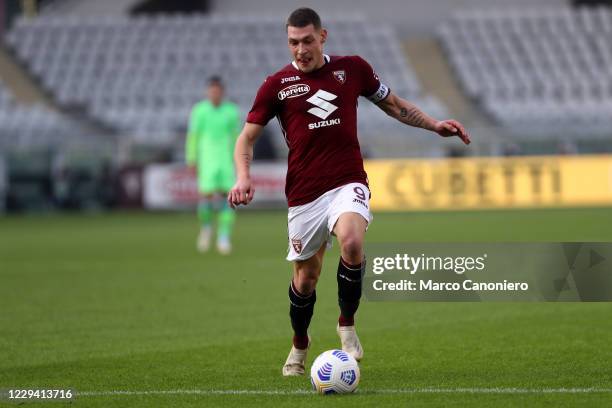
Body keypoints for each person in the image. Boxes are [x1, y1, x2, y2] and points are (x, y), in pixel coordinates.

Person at [228, 8, 470, 375]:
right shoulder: (276, 85)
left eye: (307, 40)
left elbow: (394, 105)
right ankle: (299, 343)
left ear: (323, 36)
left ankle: (346, 323)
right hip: (304, 194)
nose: (300, 49)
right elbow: (246, 137)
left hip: (347, 181)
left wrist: (434, 125)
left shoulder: (352, 69)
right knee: (306, 278)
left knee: (352, 243)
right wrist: (242, 177)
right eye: (293, 42)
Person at [186, 76, 240, 254]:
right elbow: (193, 136)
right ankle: (207, 228)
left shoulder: (231, 111)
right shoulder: (199, 111)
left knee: (228, 198)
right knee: (206, 197)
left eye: (217, 91)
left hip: (225, 160)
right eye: (212, 91)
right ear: (208, 92)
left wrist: (238, 159)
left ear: (222, 93)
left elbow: (236, 138)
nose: (214, 94)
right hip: (207, 160)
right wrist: (192, 158)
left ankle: (223, 236)